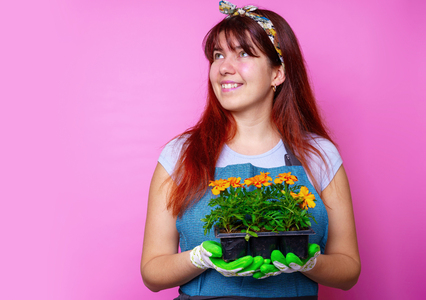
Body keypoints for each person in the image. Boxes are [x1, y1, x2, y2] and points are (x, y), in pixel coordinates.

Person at [141, 1, 360, 299]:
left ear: (277, 74)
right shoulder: (181, 154)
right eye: (218, 55)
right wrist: (199, 258)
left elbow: (348, 270)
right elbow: (152, 273)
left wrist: (306, 262)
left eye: (243, 53)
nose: (224, 68)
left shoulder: (318, 154)